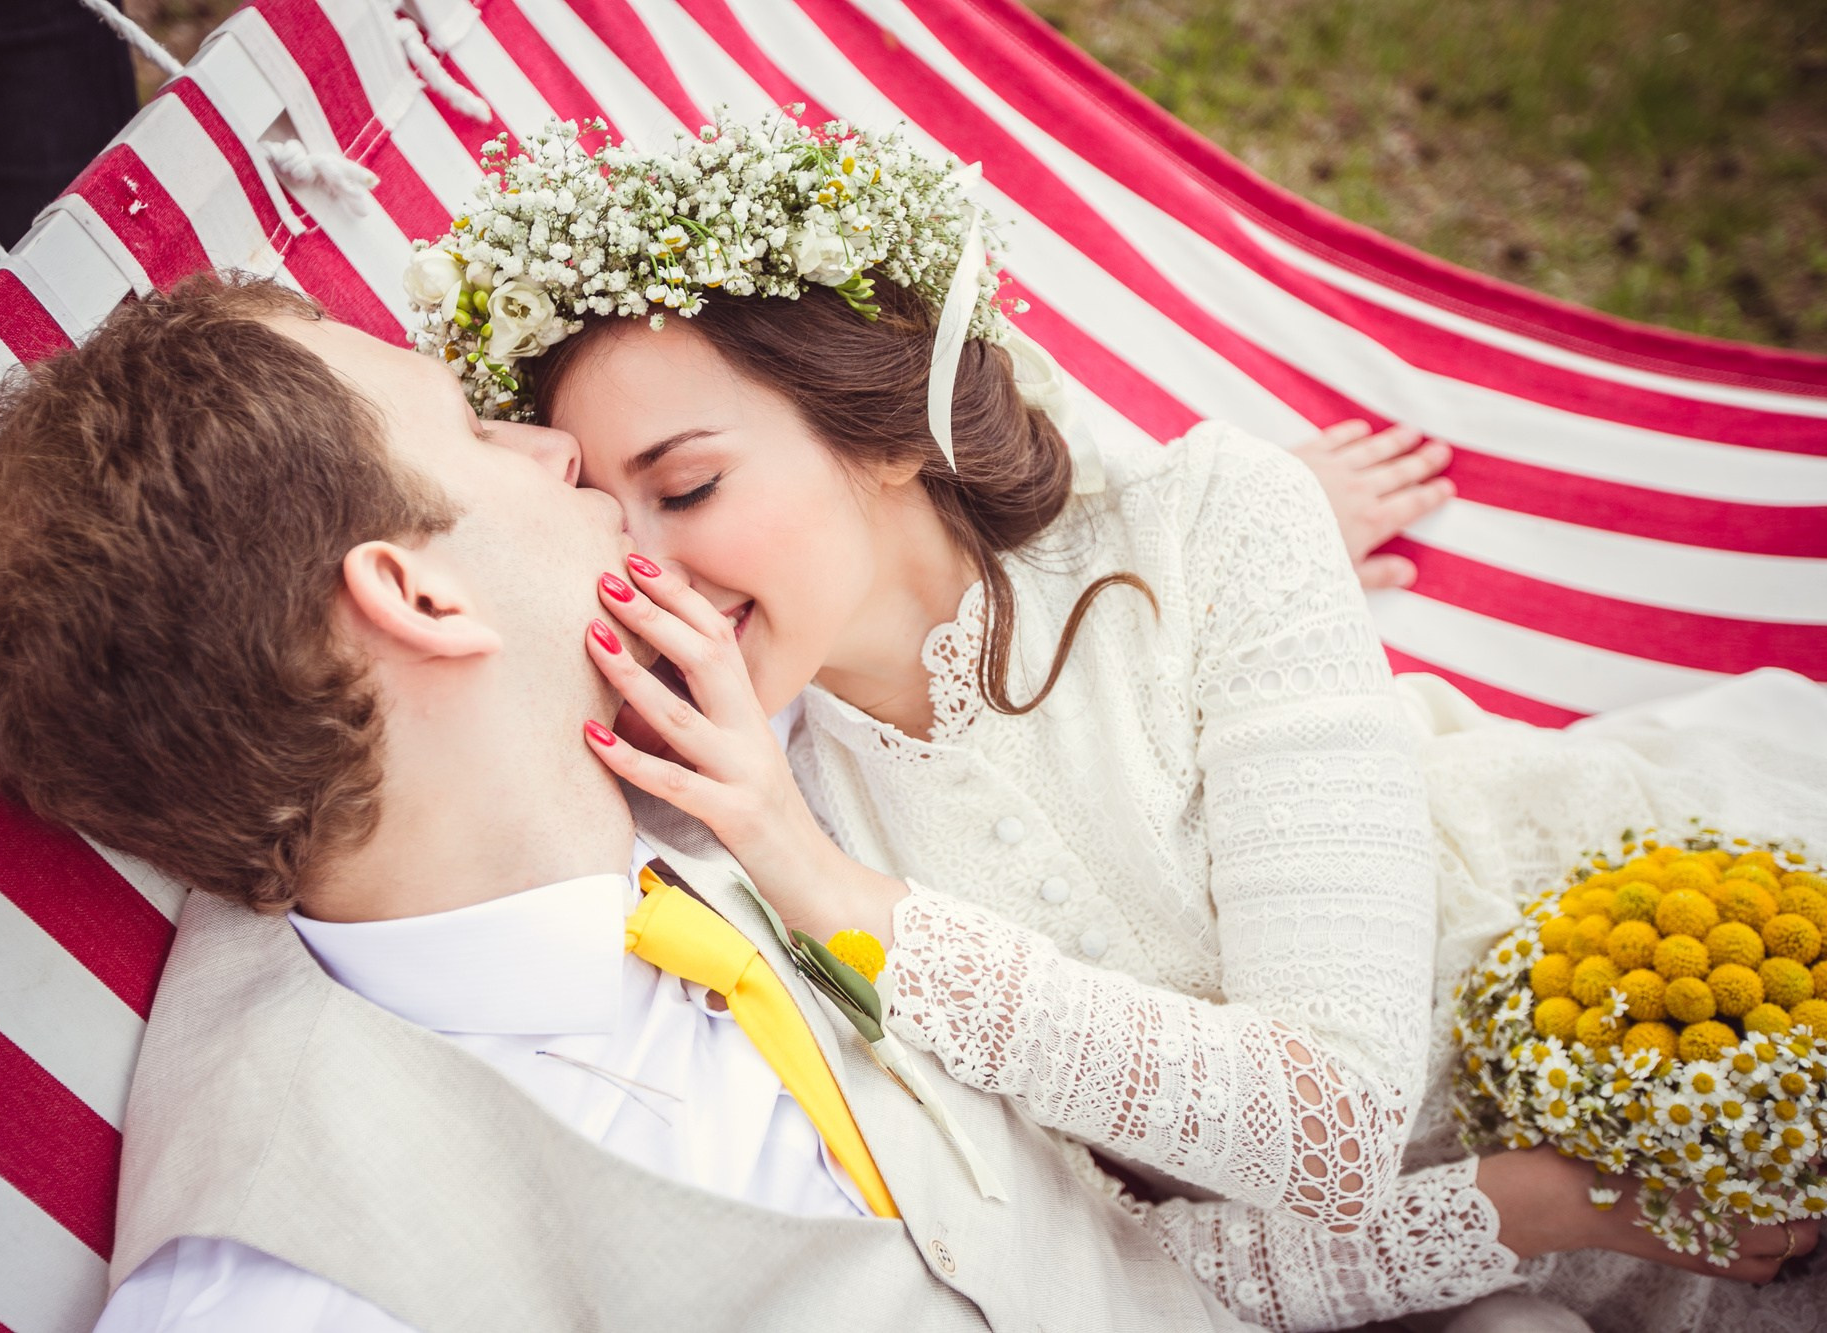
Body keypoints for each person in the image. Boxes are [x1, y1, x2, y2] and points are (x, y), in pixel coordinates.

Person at [421, 126, 1827, 1330]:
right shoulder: (760, 837)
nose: (650, 573)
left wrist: (844, 895)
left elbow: (1326, 1116)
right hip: (1436, 1276)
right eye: (612, 516)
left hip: (1664, 953)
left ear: (893, 423)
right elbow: (1112, 1268)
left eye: (690, 484)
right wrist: (1496, 1220)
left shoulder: (1214, 524)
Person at [0, 273, 1268, 1333]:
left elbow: (862, 530)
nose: (555, 452)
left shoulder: (683, 736)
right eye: (471, 429)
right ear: (420, 596)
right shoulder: (303, 1274)